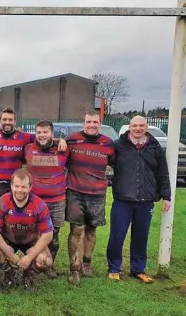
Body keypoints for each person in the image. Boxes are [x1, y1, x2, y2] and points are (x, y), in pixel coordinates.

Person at [107, 115, 171, 283]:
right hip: (122, 199)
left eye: (141, 125)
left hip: (145, 200)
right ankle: (114, 268)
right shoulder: (118, 146)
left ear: (146, 127)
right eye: (134, 125)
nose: (138, 128)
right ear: (129, 127)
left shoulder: (155, 148)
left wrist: (166, 196)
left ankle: (138, 269)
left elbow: (162, 173)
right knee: (117, 235)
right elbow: (104, 162)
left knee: (141, 236)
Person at [0, 108, 66, 216]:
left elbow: (43, 138)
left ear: (15, 121)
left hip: (16, 184)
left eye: (10, 120)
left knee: (14, 217)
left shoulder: (24, 137)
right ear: (0, 121)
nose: (7, 122)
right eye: (4, 119)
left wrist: (61, 140)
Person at [65, 110, 115, 285]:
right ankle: (74, 268)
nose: (92, 125)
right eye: (89, 122)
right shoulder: (71, 140)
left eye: (95, 122)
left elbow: (115, 163)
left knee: (91, 231)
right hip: (75, 192)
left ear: (100, 123)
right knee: (76, 230)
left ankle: (87, 264)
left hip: (97, 194)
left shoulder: (108, 143)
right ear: (83, 123)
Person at [0, 169, 54, 288]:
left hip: (30, 240)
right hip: (8, 238)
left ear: (30, 187)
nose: (19, 190)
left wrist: (30, 256)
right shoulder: (2, 201)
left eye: (24, 187)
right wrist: (9, 253)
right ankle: (9, 273)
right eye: (16, 186)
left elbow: (48, 234)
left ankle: (29, 272)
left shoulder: (39, 204)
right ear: (11, 186)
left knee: (46, 261)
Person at [23, 120, 69, 277]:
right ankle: (33, 261)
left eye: (45, 132)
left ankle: (50, 265)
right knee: (33, 233)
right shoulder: (28, 148)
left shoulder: (63, 149)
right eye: (39, 132)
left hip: (57, 201)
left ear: (52, 134)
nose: (42, 135)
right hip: (34, 201)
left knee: (53, 236)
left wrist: (60, 141)